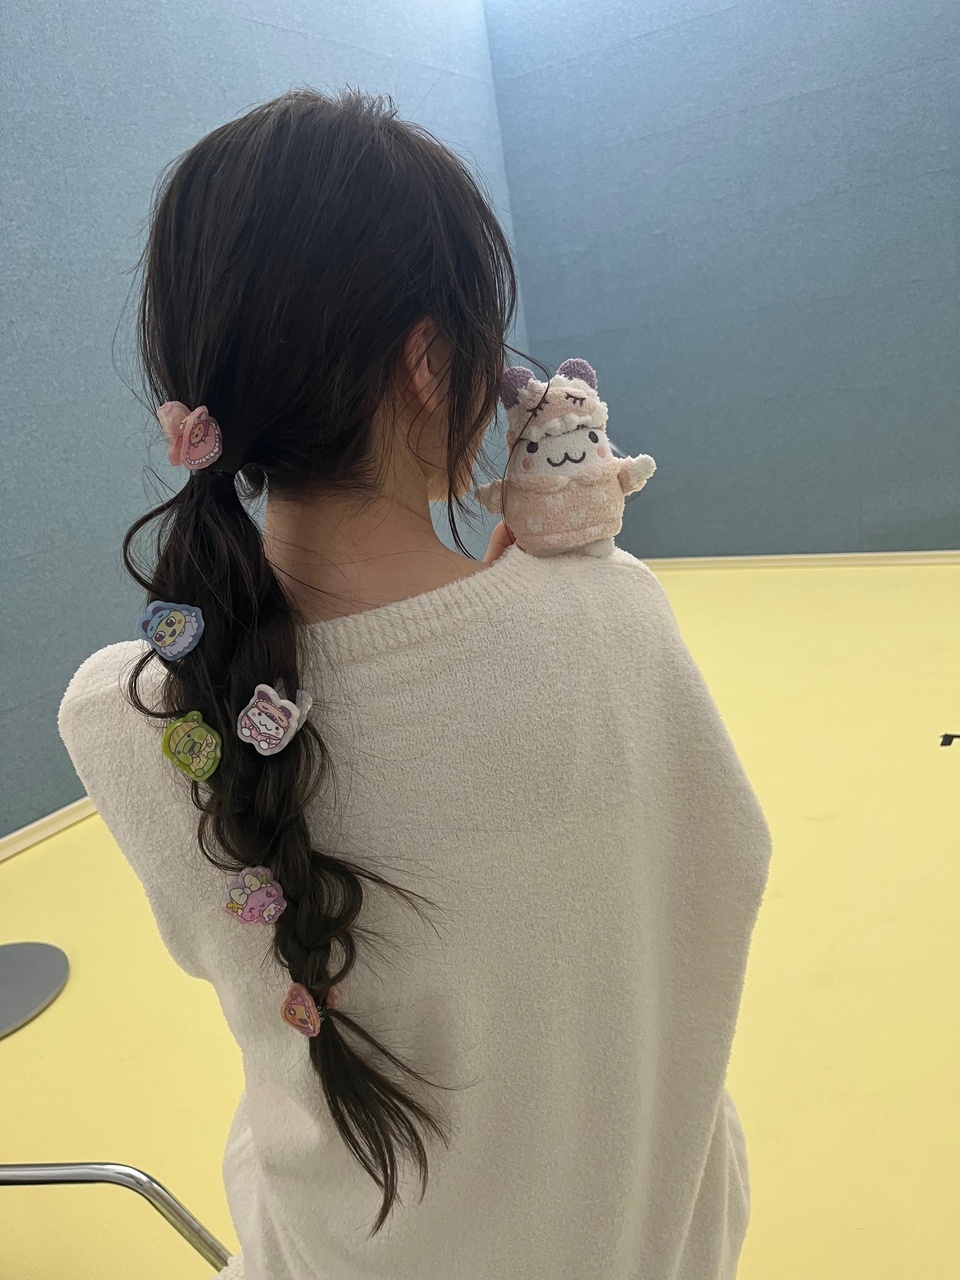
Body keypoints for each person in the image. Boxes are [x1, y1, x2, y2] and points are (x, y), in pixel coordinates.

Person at [58, 87, 772, 1280]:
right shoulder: (619, 616)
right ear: (431, 362)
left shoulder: (125, 712)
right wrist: (543, 609)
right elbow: (716, 884)